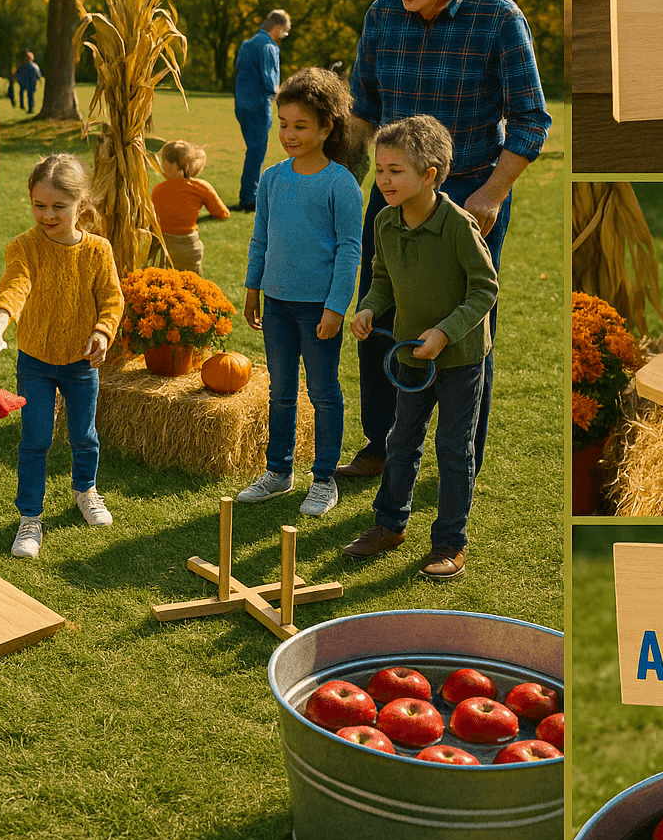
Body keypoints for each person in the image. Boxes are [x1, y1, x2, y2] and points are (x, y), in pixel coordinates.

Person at [335, 0, 551, 483]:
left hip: (467, 196)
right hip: (391, 192)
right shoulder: (382, 15)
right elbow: (364, 110)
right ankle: (380, 444)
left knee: (466, 331)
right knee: (379, 313)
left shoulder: (499, 17)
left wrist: (492, 194)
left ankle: (462, 459)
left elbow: (531, 120)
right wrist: (342, 181)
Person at [345, 116, 496, 580]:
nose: (384, 179)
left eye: (396, 171)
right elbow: (382, 279)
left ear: (429, 175)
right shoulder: (384, 221)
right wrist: (369, 308)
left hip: (459, 360)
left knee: (453, 449)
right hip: (410, 356)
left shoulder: (459, 225)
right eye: (380, 169)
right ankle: (390, 525)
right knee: (401, 440)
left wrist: (445, 333)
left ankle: (450, 543)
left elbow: (485, 289)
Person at [0, 153, 123, 559]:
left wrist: (102, 332)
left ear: (81, 204)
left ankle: (85, 490)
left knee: (84, 435)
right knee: (36, 439)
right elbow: (15, 287)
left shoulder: (98, 250)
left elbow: (112, 299)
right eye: (39, 205)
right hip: (36, 362)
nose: (47, 215)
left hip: (81, 363)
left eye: (59, 206)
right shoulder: (24, 247)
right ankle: (30, 517)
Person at [237, 67, 361, 517]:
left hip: (319, 311)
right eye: (284, 124)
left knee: (323, 393)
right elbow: (260, 238)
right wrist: (253, 288)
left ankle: (324, 478)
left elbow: (350, 250)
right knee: (281, 393)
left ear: (327, 128)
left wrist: (336, 307)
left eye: (301, 126)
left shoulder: (341, 183)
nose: (289, 134)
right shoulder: (272, 178)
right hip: (276, 305)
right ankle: (278, 472)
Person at [231, 9, 291, 211]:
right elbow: (270, 82)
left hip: (242, 105)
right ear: (278, 28)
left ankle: (248, 193)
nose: (284, 36)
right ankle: (249, 197)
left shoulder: (246, 44)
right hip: (258, 105)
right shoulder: (269, 47)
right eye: (285, 32)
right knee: (257, 151)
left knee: (253, 150)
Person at [153, 140, 229, 275]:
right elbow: (222, 213)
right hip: (190, 248)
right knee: (192, 283)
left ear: (169, 164)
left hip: (165, 249)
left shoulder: (158, 190)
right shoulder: (201, 187)